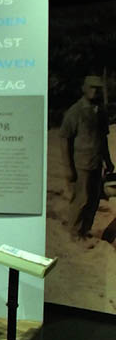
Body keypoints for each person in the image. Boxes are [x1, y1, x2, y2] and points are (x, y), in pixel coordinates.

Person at [60, 75, 114, 240]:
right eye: (91, 87)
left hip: (97, 162)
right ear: (84, 88)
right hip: (81, 164)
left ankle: (85, 230)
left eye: (98, 88)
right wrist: (69, 168)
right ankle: (75, 233)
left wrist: (108, 161)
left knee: (94, 199)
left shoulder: (100, 111)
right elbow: (64, 139)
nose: (94, 91)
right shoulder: (75, 111)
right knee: (81, 199)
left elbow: (103, 138)